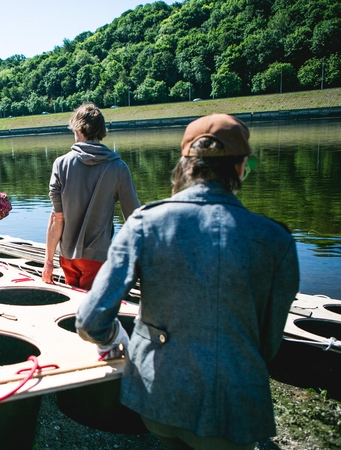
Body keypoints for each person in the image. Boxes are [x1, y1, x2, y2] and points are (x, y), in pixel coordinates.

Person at [76, 114, 300, 450]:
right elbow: (268, 343)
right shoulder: (276, 239)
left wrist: (113, 339)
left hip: (159, 396)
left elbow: (91, 320)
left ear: (186, 166)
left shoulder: (144, 223)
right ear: (240, 168)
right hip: (232, 405)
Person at [42, 103, 140, 290]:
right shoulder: (118, 167)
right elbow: (135, 219)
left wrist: (48, 263)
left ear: (78, 129)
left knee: (75, 308)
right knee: (93, 311)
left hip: (67, 256)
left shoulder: (61, 164)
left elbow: (57, 218)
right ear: (101, 131)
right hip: (98, 257)